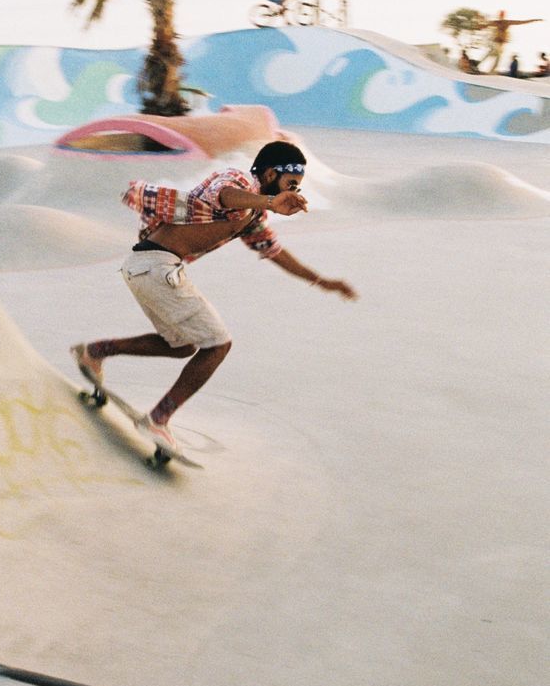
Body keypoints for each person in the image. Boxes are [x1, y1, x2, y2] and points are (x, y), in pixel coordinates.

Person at [71, 140, 357, 452]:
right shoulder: (238, 181)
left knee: (182, 346)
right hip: (155, 266)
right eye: (292, 184)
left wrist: (321, 281)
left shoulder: (252, 218)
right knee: (218, 344)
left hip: (148, 268)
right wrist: (270, 202)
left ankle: (95, 351)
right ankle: (157, 420)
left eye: (298, 189)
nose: (295, 193)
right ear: (272, 173)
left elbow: (274, 252)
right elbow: (221, 195)